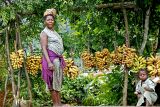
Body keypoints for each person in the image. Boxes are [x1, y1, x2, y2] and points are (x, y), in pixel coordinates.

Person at [40, 8, 66, 106]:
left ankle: (59, 104)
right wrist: (49, 62)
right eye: (48, 20)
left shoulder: (54, 32)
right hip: (51, 60)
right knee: (52, 83)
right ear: (45, 21)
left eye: (51, 19)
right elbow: (43, 48)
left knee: (57, 82)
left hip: (57, 60)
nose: (50, 21)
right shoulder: (44, 33)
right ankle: (56, 104)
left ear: (53, 21)